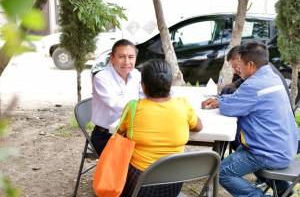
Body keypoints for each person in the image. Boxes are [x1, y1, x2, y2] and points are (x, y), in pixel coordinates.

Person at [202, 41, 298, 197]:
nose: (238, 69)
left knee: (221, 172)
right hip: (284, 147)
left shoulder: (254, 84)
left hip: (268, 153)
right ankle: (282, 190)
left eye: (240, 64)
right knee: (240, 150)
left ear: (251, 65)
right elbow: (238, 100)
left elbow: (231, 107)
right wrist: (222, 101)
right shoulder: (271, 76)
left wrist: (220, 102)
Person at [118, 59, 203, 197]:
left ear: (143, 86)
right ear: (170, 85)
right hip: (174, 180)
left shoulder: (133, 107)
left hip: (139, 180)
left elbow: (119, 134)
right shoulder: (183, 105)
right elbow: (198, 126)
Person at [91, 39, 143, 155]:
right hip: (106, 136)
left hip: (131, 131)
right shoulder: (101, 78)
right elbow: (118, 106)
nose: (127, 62)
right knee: (137, 160)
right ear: (112, 58)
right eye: (121, 57)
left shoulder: (136, 75)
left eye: (131, 57)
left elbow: (146, 98)